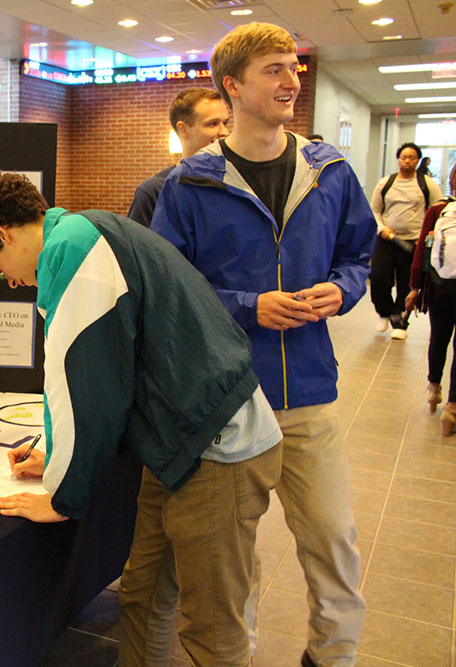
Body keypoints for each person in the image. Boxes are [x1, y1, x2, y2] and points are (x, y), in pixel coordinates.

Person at [0, 169, 283, 666]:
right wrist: (56, 452)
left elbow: (88, 382)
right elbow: (105, 375)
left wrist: (64, 494)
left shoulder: (73, 248)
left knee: (211, 629)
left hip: (217, 449)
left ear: (1, 233)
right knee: (143, 597)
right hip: (176, 446)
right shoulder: (87, 233)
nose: (12, 282)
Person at [151, 22, 375, 666]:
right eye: (274, 69)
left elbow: (357, 253)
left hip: (309, 393)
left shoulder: (329, 171)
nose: (292, 80)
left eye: (294, 68)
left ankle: (332, 658)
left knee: (334, 544)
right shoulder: (189, 185)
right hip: (228, 402)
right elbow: (171, 291)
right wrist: (250, 307)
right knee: (233, 562)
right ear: (233, 86)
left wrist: (343, 288)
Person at [370, 142, 443, 339]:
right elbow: (374, 210)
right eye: (404, 157)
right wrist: (382, 228)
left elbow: (438, 211)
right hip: (387, 239)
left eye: (412, 157)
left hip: (413, 243)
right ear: (398, 159)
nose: (407, 161)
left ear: (418, 160)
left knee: (406, 283)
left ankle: (400, 322)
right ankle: (385, 312)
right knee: (378, 277)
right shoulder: (386, 182)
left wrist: (427, 235)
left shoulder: (427, 184)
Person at [127, 87, 230, 226]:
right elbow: (137, 247)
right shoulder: (154, 191)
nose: (224, 132)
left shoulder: (234, 184)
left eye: (225, 123)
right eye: (213, 124)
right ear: (184, 129)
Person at [406, 162, 456, 432]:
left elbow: (421, 253)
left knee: (439, 337)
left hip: (440, 288)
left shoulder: (438, 211)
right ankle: (453, 407)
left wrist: (415, 288)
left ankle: (434, 387)